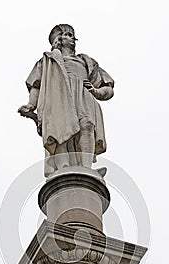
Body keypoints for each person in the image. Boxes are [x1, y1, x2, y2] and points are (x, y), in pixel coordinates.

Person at [18, 24, 114, 176]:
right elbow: (36, 85)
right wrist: (31, 104)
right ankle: (63, 167)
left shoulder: (86, 61)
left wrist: (96, 91)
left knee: (87, 126)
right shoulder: (48, 61)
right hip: (58, 97)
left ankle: (87, 167)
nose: (73, 39)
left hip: (83, 95)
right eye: (68, 35)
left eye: (73, 36)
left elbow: (108, 88)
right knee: (60, 129)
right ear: (59, 39)